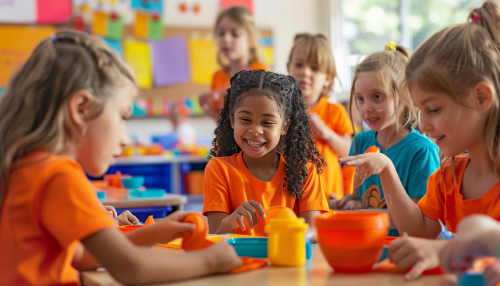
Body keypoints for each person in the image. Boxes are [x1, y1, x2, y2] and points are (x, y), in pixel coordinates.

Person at [0, 30, 241, 286]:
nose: (125, 139)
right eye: (123, 117)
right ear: (81, 109)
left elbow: (83, 255)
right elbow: (130, 268)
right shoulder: (58, 175)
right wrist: (211, 260)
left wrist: (155, 232)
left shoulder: (24, 165)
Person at [341, 0, 500, 279]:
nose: (424, 125)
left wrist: (443, 252)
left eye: (434, 109)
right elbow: (418, 231)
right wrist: (387, 170)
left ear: (482, 97)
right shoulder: (449, 176)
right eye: (421, 110)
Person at [203, 70, 329, 236]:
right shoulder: (219, 169)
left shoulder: (304, 171)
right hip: (240, 261)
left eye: (267, 122)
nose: (255, 130)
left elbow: (313, 232)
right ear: (232, 120)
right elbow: (216, 237)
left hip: (288, 260)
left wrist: (290, 235)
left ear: (284, 126)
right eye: (245, 120)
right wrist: (230, 223)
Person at [287, 33, 353, 203]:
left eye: (314, 68)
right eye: (299, 65)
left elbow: (349, 151)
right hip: (291, 196)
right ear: (289, 68)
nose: (305, 72)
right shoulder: (280, 110)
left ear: (328, 78)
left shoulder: (335, 111)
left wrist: (326, 133)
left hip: (328, 197)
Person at [199, 6, 268, 120]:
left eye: (235, 34)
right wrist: (210, 110)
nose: (225, 39)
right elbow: (222, 121)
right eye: (221, 33)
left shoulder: (260, 71)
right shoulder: (217, 77)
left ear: (250, 40)